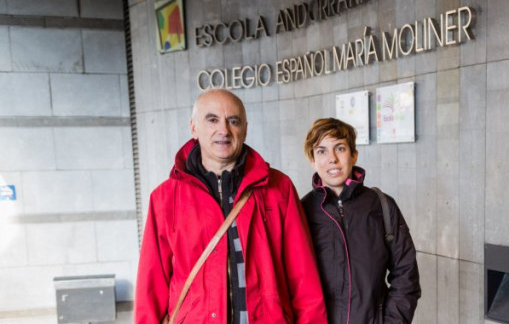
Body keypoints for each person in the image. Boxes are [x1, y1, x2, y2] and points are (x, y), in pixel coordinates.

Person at [135, 89, 327, 324]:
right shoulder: (165, 198)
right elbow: (150, 288)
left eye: (233, 121)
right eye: (212, 119)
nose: (223, 130)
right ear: (194, 127)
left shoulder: (279, 188)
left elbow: (304, 279)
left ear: (244, 129)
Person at [300, 118, 421, 324]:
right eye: (321, 151)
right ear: (312, 159)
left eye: (340, 148)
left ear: (354, 154)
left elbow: (406, 274)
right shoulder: (301, 212)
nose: (332, 159)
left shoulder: (381, 206)